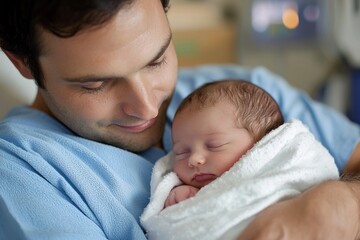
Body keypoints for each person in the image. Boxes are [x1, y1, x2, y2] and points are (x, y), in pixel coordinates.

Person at [0, 0, 359, 239]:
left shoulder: (245, 93)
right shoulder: (22, 175)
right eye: (96, 84)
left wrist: (338, 205)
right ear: (22, 62)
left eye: (156, 60)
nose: (147, 107)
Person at [140, 80, 339, 240]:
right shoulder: (184, 189)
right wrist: (181, 202)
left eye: (214, 145)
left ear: (261, 145)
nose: (194, 159)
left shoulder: (281, 168)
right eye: (181, 152)